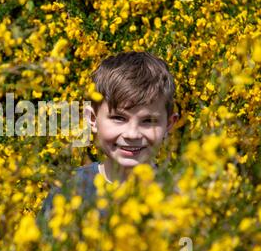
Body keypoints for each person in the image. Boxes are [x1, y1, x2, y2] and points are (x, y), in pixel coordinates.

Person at [40, 51, 179, 218]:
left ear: (169, 124)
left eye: (148, 121)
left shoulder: (180, 198)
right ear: (92, 119)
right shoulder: (68, 191)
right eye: (118, 118)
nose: (132, 134)